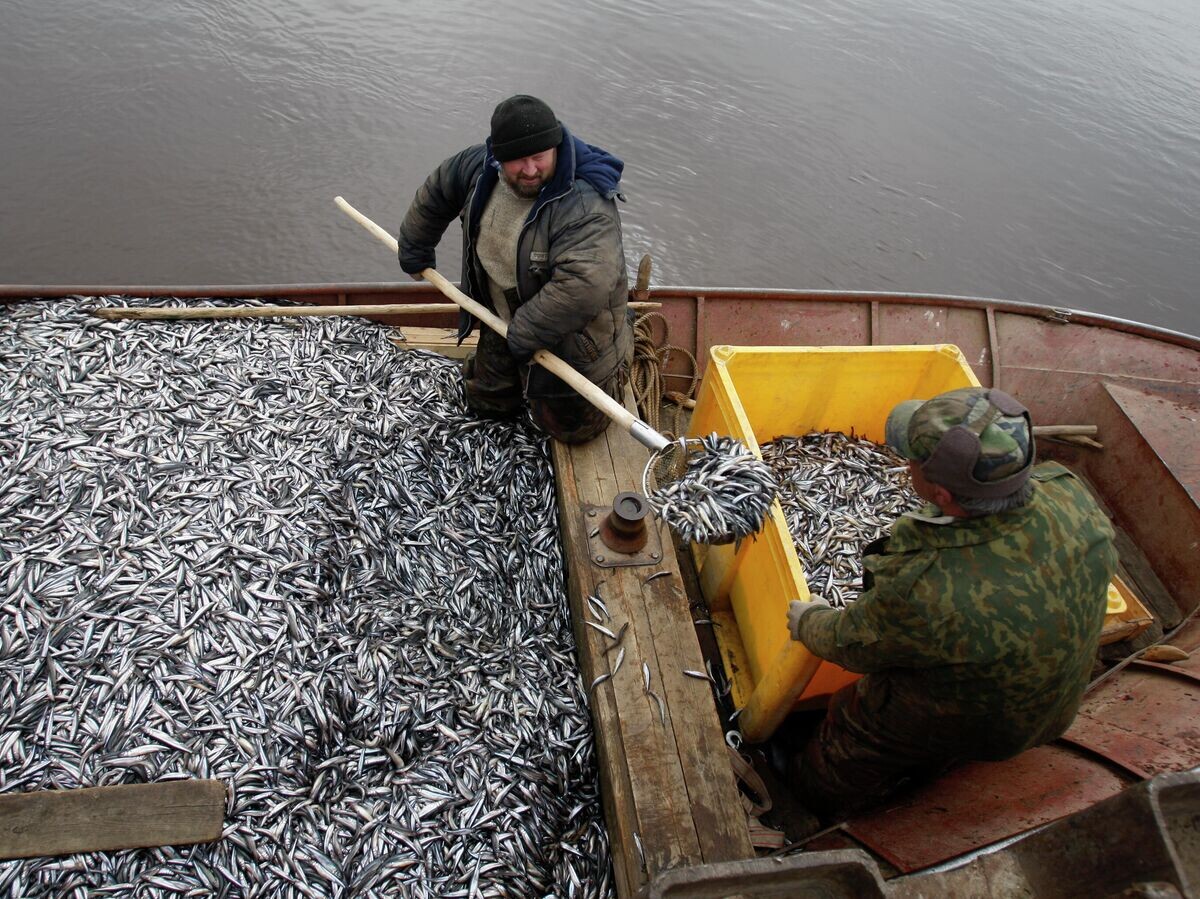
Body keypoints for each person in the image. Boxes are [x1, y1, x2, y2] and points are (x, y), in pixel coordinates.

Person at [783, 386, 1117, 819]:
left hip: (984, 726)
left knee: (855, 718)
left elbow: (854, 646)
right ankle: (929, 769)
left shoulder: (927, 585)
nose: (905, 464)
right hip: (1055, 708)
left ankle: (809, 803)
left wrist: (810, 620)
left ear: (940, 494)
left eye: (913, 459)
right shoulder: (1071, 496)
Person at [397, 94, 633, 444]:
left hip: (571, 337)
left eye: (539, 157)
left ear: (555, 147)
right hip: (499, 317)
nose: (530, 169)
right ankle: (508, 380)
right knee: (486, 404)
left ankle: (617, 360)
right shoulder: (477, 168)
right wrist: (415, 249)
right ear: (497, 156)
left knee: (573, 431)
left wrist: (522, 334)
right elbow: (438, 192)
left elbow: (584, 285)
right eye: (517, 161)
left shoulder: (584, 203)